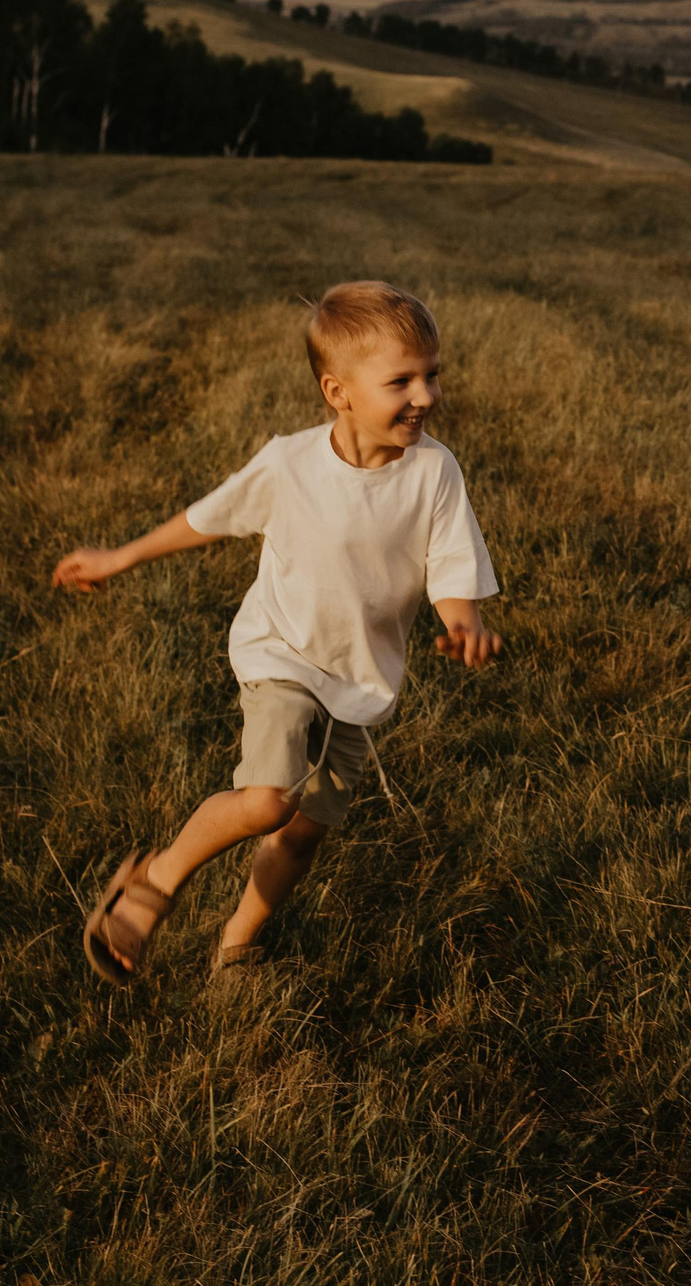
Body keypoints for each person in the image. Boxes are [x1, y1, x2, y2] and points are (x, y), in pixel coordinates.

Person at [52, 281, 502, 984]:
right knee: (267, 800)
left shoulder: (435, 472)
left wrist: (462, 622)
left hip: (358, 678)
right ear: (338, 390)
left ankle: (237, 943)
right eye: (402, 380)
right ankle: (152, 882)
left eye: (432, 374)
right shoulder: (291, 464)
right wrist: (121, 555)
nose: (427, 394)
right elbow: (211, 516)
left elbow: (449, 565)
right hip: (283, 653)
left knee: (301, 834)